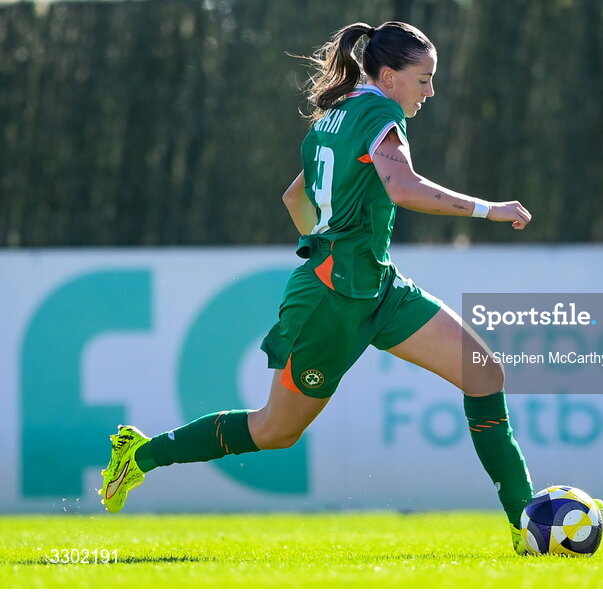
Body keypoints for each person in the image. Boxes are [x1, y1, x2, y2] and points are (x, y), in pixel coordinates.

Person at [99, 21, 537, 554]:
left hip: (377, 287)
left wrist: (328, 244)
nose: (430, 91)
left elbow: (293, 198)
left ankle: (526, 525)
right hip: (332, 301)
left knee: (484, 373)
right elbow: (402, 188)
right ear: (391, 76)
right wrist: (490, 209)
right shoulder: (380, 112)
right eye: (424, 79)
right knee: (274, 431)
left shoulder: (335, 115)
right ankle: (139, 455)